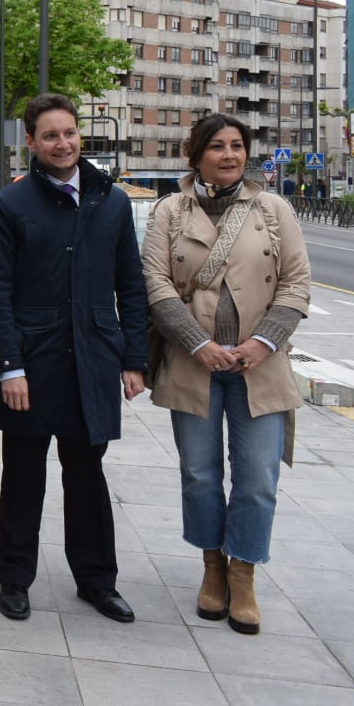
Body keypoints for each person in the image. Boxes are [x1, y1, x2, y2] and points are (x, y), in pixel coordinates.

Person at [0, 93, 149, 623]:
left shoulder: (111, 201)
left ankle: (97, 581)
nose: (63, 143)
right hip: (33, 363)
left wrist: (134, 359)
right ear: (31, 141)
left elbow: (132, 286)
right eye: (50, 135)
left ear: (80, 135)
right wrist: (10, 365)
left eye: (69, 133)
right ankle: (14, 579)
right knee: (23, 475)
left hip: (93, 361)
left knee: (87, 474)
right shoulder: (12, 204)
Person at [141, 113, 309, 635]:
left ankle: (245, 573)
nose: (230, 155)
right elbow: (155, 283)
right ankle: (212, 568)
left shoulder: (273, 208)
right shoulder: (169, 211)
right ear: (196, 154)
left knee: (259, 478)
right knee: (200, 475)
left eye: (238, 146)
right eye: (218, 146)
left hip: (261, 366)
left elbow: (297, 283)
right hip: (196, 366)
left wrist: (262, 343)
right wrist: (198, 344)